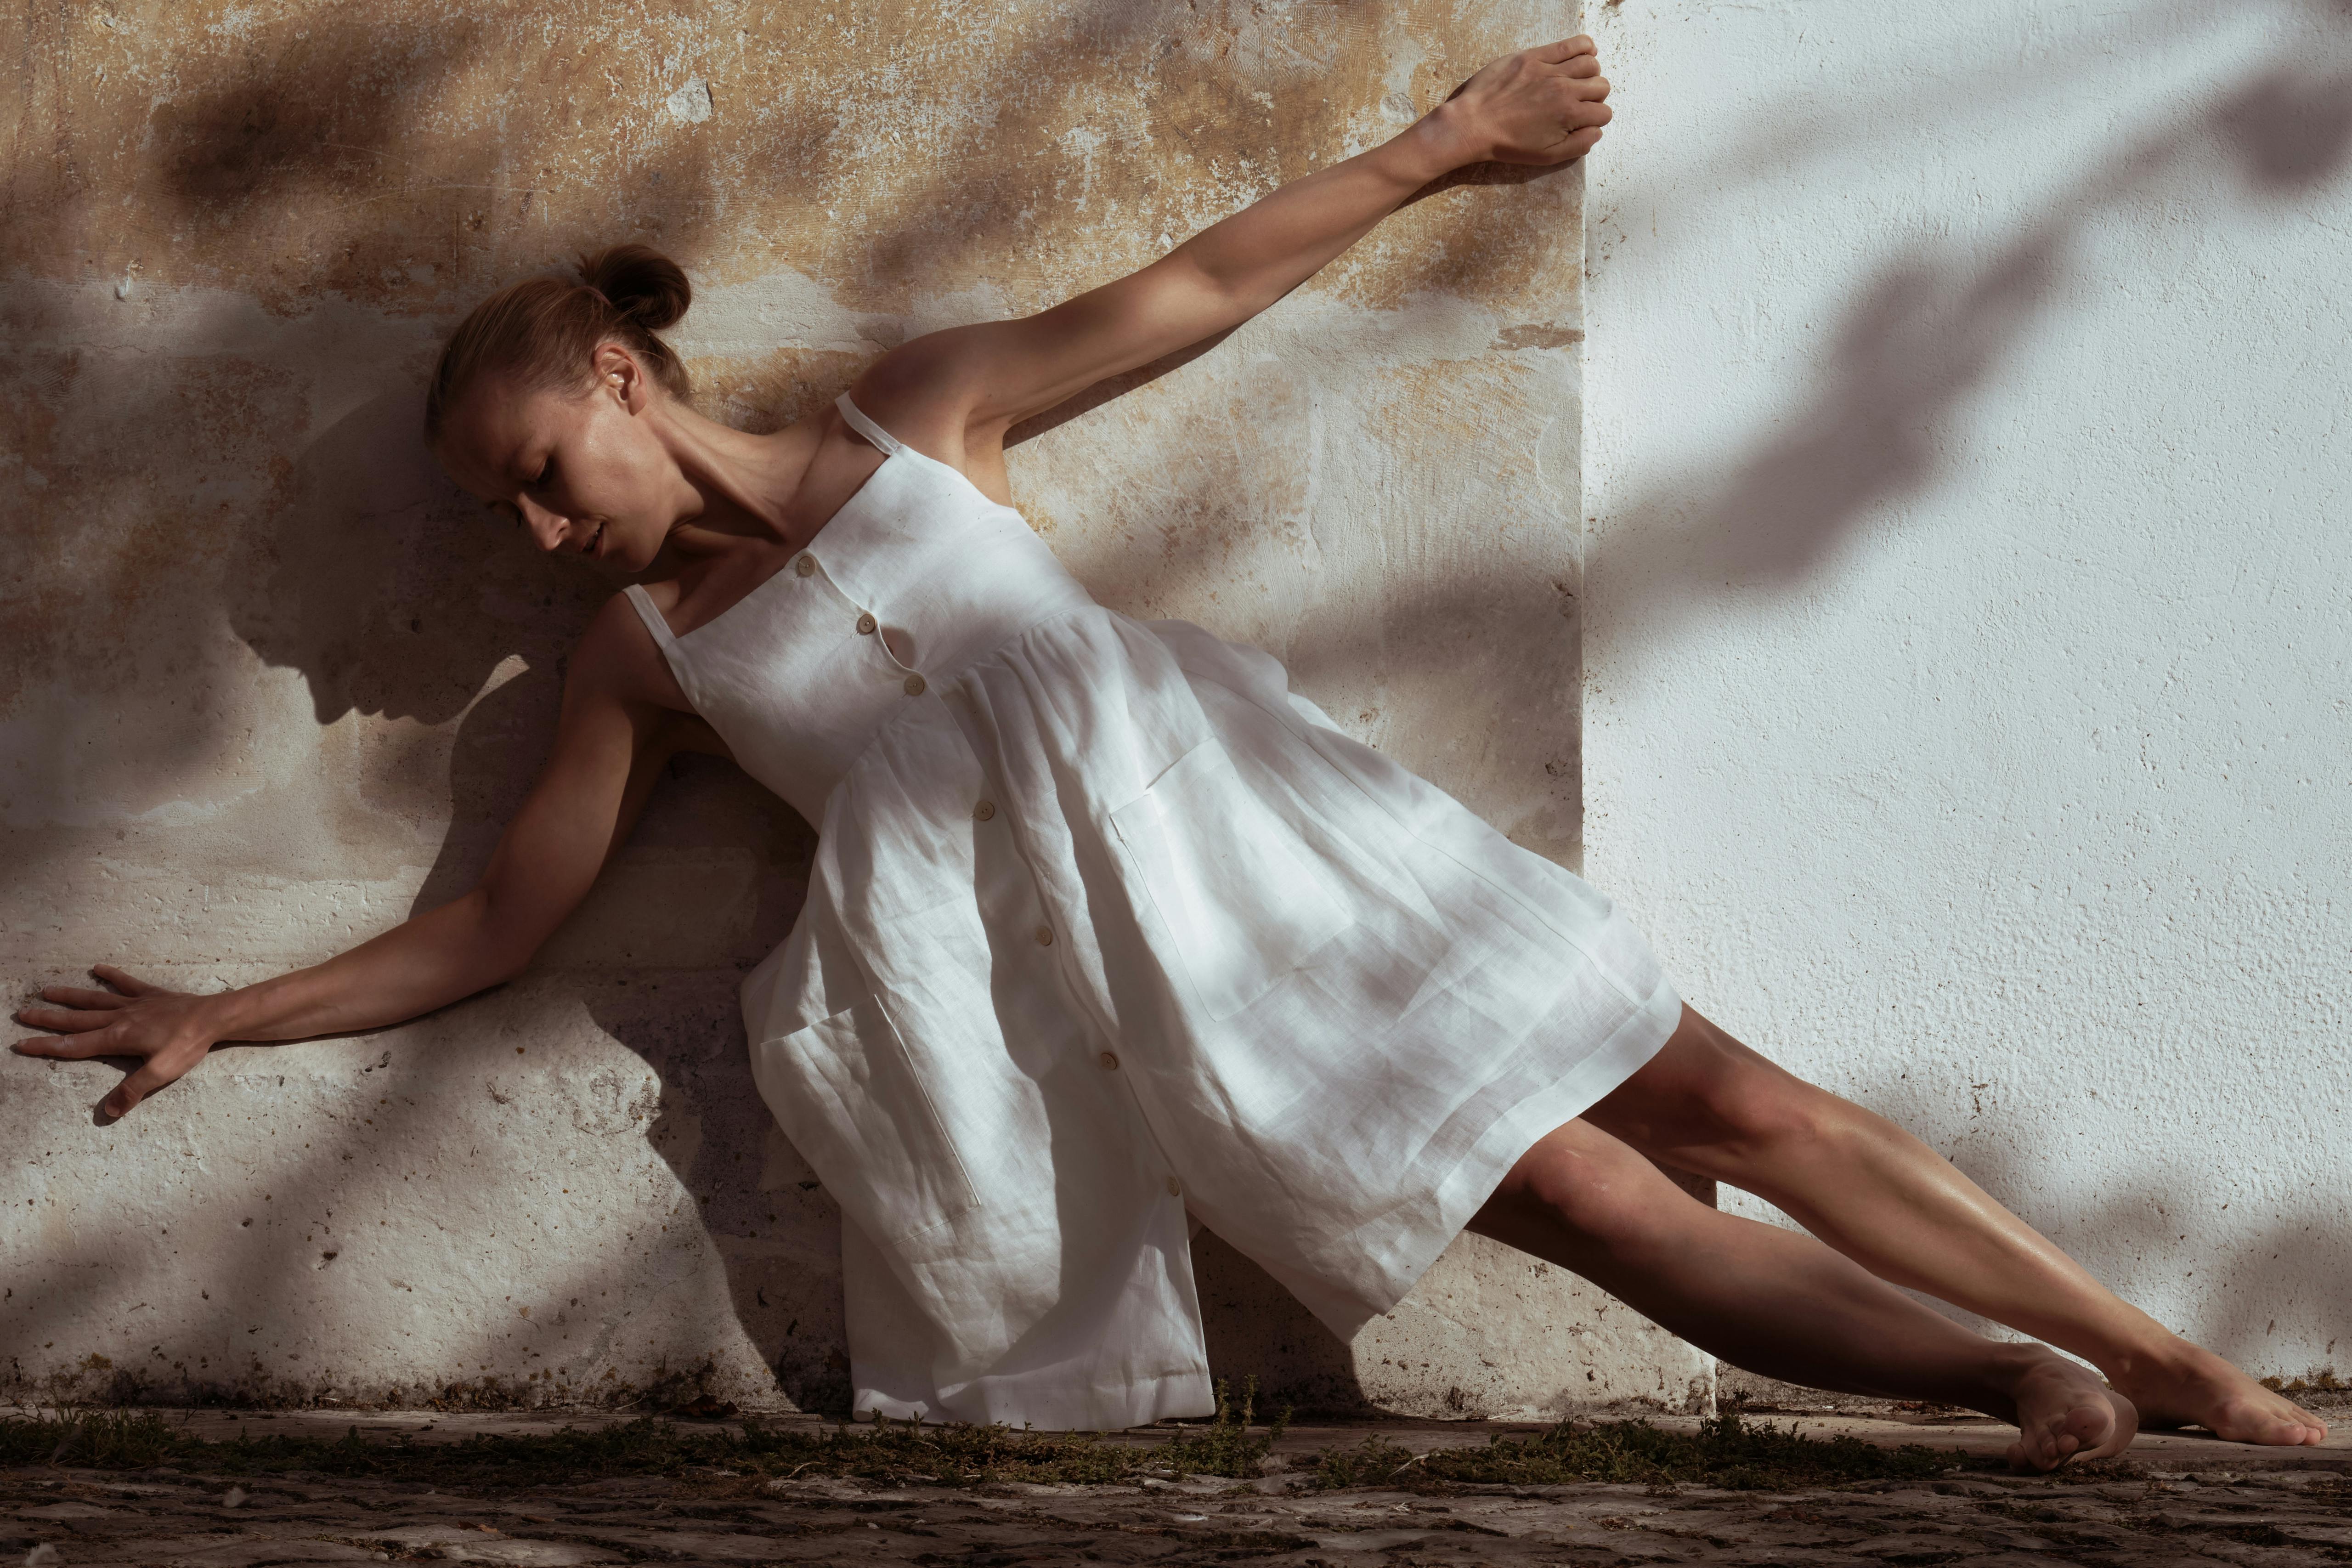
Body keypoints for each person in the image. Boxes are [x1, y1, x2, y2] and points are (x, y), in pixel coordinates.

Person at [12, 36, 2324, 1473]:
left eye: (539, 472)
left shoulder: (912, 415)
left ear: (619, 378)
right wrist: (229, 1004)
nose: (536, 534)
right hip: (1178, 999)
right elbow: (493, 923)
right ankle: (1998, 1381)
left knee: (1727, 1103)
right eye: (503, 516)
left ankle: (2179, 1363)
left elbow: (1196, 287)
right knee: (1600, 1207)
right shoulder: (644, 658)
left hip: (1310, 854)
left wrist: (1445, 144)